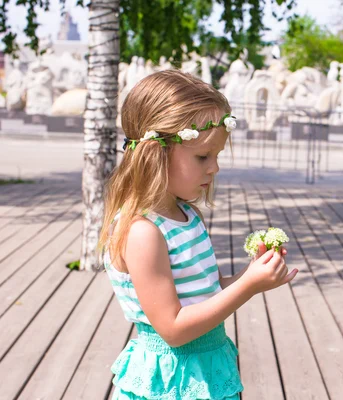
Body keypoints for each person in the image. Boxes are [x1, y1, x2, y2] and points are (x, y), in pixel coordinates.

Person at [98, 69, 298, 399]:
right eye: (203, 156)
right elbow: (174, 329)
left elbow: (208, 291)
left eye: (216, 156)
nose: (214, 167)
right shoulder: (143, 232)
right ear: (155, 153)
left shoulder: (188, 216)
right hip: (170, 380)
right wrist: (248, 287)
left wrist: (251, 275)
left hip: (207, 367)